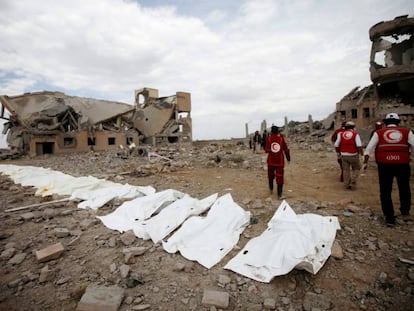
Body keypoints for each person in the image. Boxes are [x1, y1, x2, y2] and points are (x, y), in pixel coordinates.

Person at [362, 113, 414, 226]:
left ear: (385, 123)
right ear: (398, 122)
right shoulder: (407, 132)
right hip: (403, 164)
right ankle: (405, 211)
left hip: (384, 165)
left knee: (385, 191)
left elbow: (369, 149)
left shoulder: (378, 133)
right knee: (404, 187)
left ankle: (389, 217)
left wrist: (365, 163)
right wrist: (410, 157)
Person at [334, 121, 363, 190]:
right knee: (357, 168)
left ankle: (346, 185)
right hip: (353, 155)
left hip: (343, 155)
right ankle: (353, 181)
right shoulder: (355, 134)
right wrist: (361, 154)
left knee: (346, 170)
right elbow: (359, 145)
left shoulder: (340, 134)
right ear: (353, 127)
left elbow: (336, 145)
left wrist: (338, 153)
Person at [265, 125, 290, 199]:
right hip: (280, 162)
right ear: (278, 131)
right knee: (280, 177)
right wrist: (288, 158)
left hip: (271, 161)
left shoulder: (269, 139)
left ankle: (271, 189)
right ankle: (279, 194)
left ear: (271, 131)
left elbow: (266, 150)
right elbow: (286, 149)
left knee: (270, 176)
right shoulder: (281, 139)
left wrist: (271, 150)